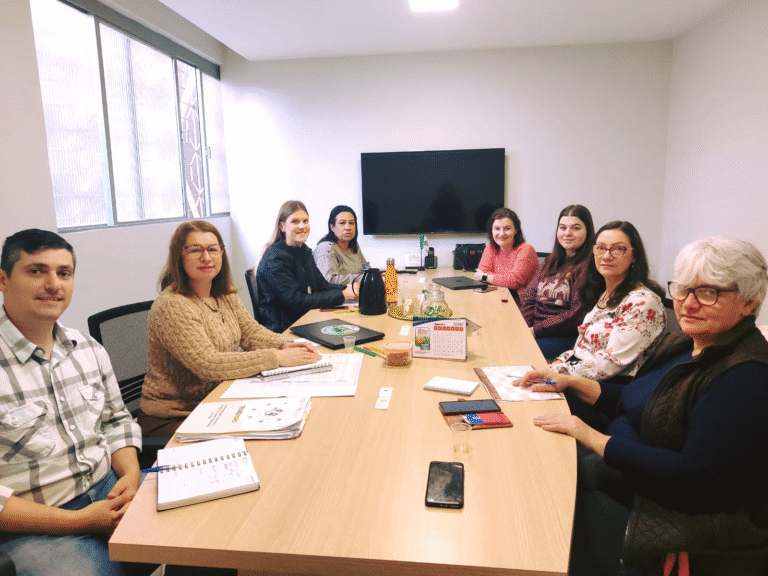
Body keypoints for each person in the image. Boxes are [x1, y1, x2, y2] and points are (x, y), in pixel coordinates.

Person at [518, 237, 768, 576]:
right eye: (683, 289)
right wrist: (571, 382)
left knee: (547, 512)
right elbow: (637, 399)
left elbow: (698, 482)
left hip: (670, 513)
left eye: (708, 292)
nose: (688, 303)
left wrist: (593, 436)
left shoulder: (745, 376)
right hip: (629, 469)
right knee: (540, 463)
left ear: (748, 302)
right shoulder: (687, 343)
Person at [0, 229, 142, 576]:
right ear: (3, 280)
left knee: (210, 540)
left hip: (109, 492)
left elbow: (116, 421)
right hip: (37, 526)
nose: (53, 284)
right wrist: (79, 520)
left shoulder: (87, 349)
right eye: (36, 271)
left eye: (64, 273)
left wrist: (131, 473)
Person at [139, 220, 320, 438]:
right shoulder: (172, 305)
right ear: (179, 255)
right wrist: (277, 357)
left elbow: (251, 332)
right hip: (174, 415)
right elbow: (208, 364)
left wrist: (286, 344)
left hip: (218, 398)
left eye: (213, 249)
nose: (206, 257)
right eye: (195, 250)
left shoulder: (224, 294)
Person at [549, 220, 665, 382]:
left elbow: (608, 364)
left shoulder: (643, 302)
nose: (606, 256)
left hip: (608, 387)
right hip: (579, 376)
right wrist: (559, 361)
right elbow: (583, 349)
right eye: (601, 248)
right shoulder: (606, 294)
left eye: (618, 249)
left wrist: (557, 371)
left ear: (634, 256)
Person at [257, 201, 356, 333]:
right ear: (282, 226)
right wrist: (342, 295)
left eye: (305, 221)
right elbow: (297, 301)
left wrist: (350, 290)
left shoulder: (304, 251)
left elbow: (321, 285)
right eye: (295, 221)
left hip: (305, 320)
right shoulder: (275, 258)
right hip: (284, 330)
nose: (302, 226)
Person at [519, 204, 595, 359]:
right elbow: (529, 297)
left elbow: (576, 315)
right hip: (536, 331)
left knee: (518, 350)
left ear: (588, 231)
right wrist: (524, 327)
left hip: (564, 336)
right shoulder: (549, 261)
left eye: (576, 228)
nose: (567, 233)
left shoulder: (588, 265)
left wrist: (535, 331)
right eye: (563, 227)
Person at [473, 208, 539, 300]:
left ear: (515, 230)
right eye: (497, 229)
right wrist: (506, 279)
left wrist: (485, 277)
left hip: (522, 301)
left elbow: (515, 281)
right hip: (498, 295)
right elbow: (481, 271)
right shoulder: (491, 247)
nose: (501, 233)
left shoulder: (526, 249)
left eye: (507, 228)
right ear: (491, 230)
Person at [314, 205, 369, 285]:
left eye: (351, 223)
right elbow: (330, 279)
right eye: (342, 223)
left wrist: (376, 275)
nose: (348, 227)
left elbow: (365, 267)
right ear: (332, 227)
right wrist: (364, 278)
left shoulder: (354, 246)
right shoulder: (325, 248)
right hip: (339, 292)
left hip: (357, 290)